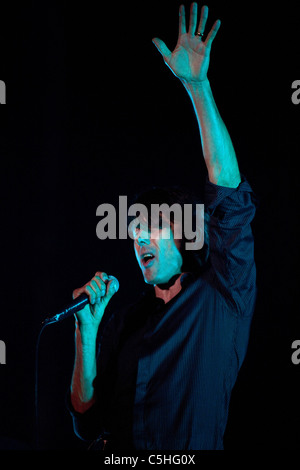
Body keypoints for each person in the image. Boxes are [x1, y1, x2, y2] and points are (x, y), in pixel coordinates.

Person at [68, 3, 258, 450]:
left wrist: (198, 88)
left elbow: (228, 193)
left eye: (149, 226)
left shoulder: (223, 294)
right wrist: (87, 333)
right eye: (132, 229)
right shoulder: (122, 323)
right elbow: (84, 421)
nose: (138, 237)